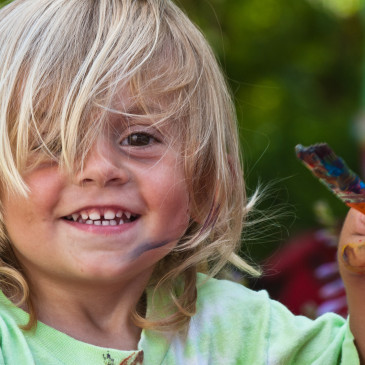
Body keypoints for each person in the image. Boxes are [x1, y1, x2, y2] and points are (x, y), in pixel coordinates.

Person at [0, 0, 362, 364]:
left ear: (203, 181)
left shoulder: (244, 330)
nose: (99, 168)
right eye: (51, 143)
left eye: (139, 139)